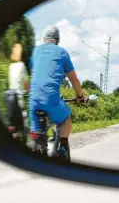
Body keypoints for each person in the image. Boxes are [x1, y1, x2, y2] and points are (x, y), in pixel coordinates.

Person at [29, 25, 84, 160]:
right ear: (57, 40)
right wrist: (80, 96)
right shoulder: (62, 53)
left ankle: (36, 144)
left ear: (44, 38)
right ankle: (63, 148)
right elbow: (74, 80)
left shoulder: (34, 51)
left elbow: (32, 75)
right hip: (51, 99)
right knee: (66, 119)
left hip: (33, 100)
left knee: (35, 133)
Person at [5, 43, 30, 140]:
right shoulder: (22, 65)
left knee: (13, 125)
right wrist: (28, 91)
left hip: (9, 100)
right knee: (25, 122)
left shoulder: (10, 66)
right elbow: (27, 85)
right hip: (19, 99)